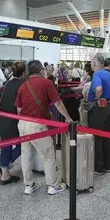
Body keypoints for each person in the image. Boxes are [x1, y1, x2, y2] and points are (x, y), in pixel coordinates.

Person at [15, 60, 72, 195]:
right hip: (37, 125)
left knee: (26, 155)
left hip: (22, 123)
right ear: (41, 70)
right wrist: (68, 118)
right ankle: (53, 185)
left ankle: (28, 185)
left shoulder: (23, 85)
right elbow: (58, 103)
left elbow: (18, 108)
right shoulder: (47, 83)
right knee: (48, 155)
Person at [0, 61, 27, 185]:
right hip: (13, 119)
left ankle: (4, 165)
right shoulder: (23, 85)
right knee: (23, 144)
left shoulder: (8, 83)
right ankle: (5, 170)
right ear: (24, 72)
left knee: (5, 145)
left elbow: (0, 102)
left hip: (3, 117)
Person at [88, 54, 110, 174]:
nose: (90, 65)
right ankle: (107, 165)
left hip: (98, 109)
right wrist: (107, 99)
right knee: (106, 136)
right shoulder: (109, 74)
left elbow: (98, 89)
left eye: (91, 63)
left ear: (95, 63)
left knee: (97, 137)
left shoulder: (97, 74)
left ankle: (98, 167)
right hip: (108, 107)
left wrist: (97, 100)